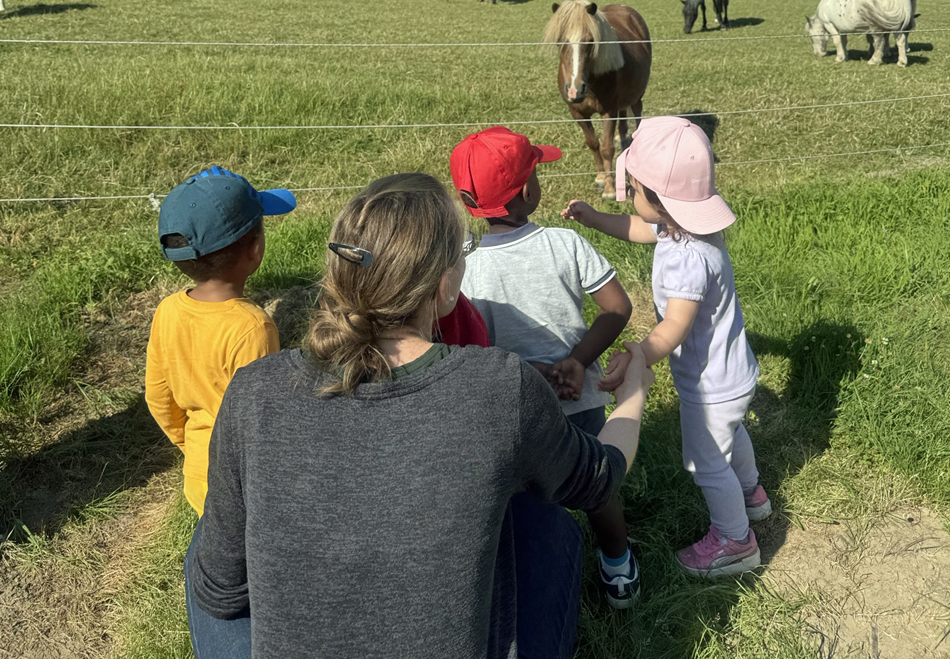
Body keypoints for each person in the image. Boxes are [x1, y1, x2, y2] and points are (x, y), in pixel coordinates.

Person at [187, 173, 654, 659]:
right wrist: (634, 388)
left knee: (208, 537)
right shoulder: (498, 387)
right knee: (544, 517)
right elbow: (601, 475)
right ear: (445, 282)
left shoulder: (253, 390)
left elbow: (221, 593)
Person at [562, 116, 771, 578]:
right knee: (732, 433)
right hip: (733, 372)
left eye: (634, 190)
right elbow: (642, 227)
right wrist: (595, 219)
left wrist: (640, 353)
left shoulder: (684, 258)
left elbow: (674, 325)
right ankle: (753, 495)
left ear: (658, 199)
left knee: (707, 462)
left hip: (710, 383)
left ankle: (736, 541)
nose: (632, 201)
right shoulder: (688, 228)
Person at [449, 126, 640, 608]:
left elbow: (463, 344)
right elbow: (617, 308)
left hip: (508, 407)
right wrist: (577, 362)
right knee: (596, 485)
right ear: (528, 191)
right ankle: (618, 569)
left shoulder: (462, 267)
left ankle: (523, 578)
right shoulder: (563, 243)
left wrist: (523, 371)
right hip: (581, 399)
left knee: (516, 494)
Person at [145, 166, 297, 516]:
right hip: (243, 481)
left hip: (199, 473)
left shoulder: (167, 311)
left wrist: (189, 445)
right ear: (255, 250)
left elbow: (158, 397)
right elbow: (260, 419)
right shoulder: (253, 327)